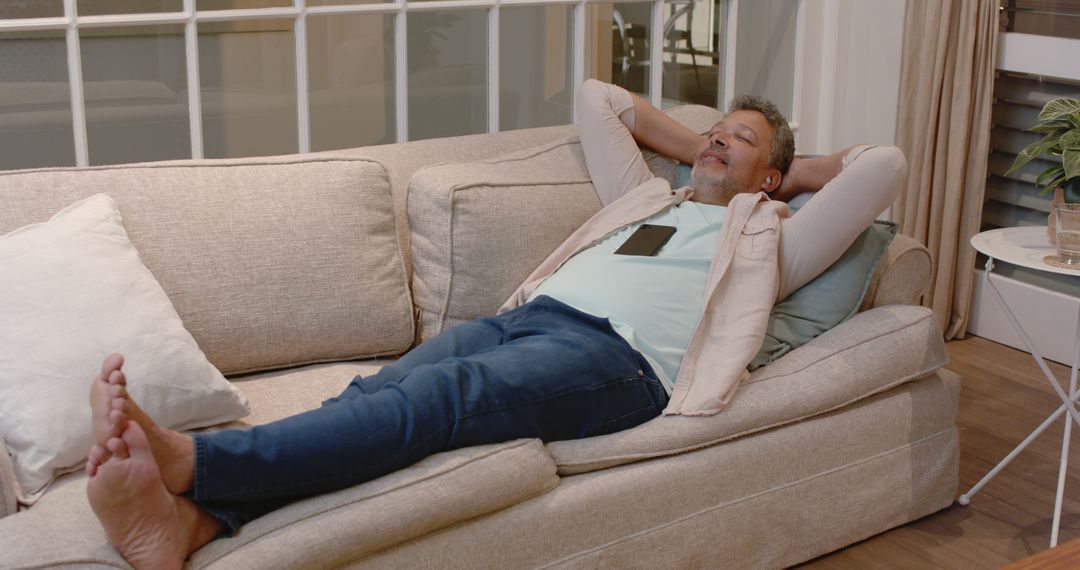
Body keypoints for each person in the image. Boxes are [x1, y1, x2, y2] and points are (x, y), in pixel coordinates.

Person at [84, 79, 902, 569]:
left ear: (776, 175)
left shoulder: (773, 238)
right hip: (528, 321)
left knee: (437, 400)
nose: (718, 139)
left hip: (617, 361)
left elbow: (884, 167)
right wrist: (708, 148)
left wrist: (788, 174)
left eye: (740, 138)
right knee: (378, 391)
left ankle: (196, 461)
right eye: (714, 129)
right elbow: (599, 97)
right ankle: (196, 520)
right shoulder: (650, 198)